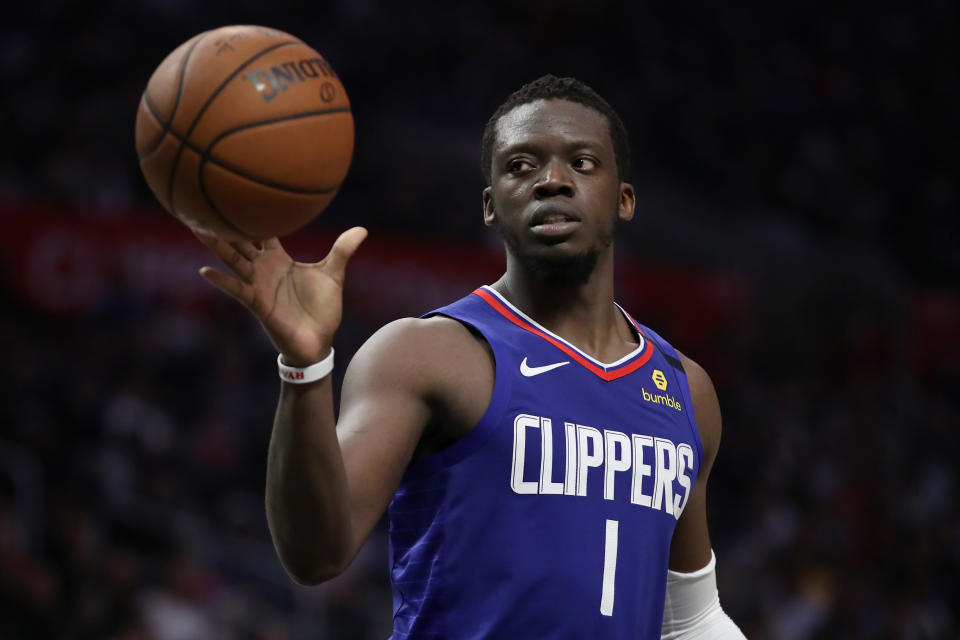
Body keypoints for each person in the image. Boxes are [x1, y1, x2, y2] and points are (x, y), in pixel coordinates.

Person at [194, 75, 746, 639]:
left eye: (582, 163)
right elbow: (315, 556)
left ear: (623, 198)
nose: (552, 181)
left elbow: (692, 619)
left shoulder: (685, 388)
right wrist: (305, 367)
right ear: (490, 205)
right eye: (521, 166)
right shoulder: (424, 352)